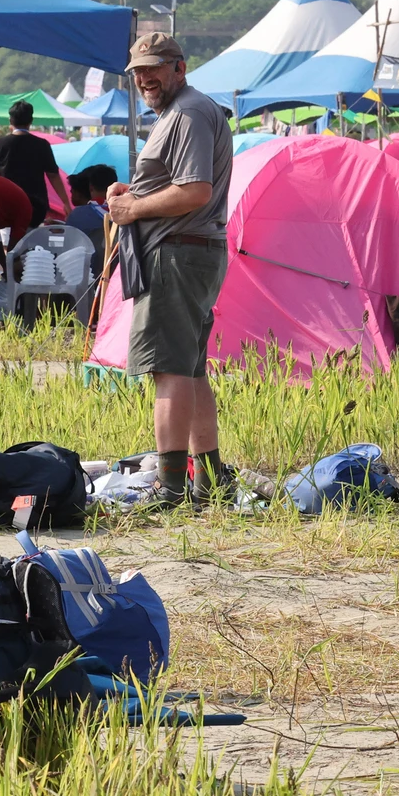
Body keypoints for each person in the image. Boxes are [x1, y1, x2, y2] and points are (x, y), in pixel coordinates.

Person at [106, 31, 235, 508]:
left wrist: (134, 209)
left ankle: (171, 489)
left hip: (177, 254)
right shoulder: (186, 112)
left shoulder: (186, 113)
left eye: (154, 68)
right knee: (190, 369)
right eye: (138, 71)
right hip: (192, 251)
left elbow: (194, 190)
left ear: (180, 66)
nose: (145, 78)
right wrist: (135, 193)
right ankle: (209, 482)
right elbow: (180, 185)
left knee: (167, 371)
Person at [0, 100, 64, 226]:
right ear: (30, 121)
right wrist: (65, 203)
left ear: (10, 121)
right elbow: (53, 175)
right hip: (36, 207)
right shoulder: (42, 145)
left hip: (7, 205)